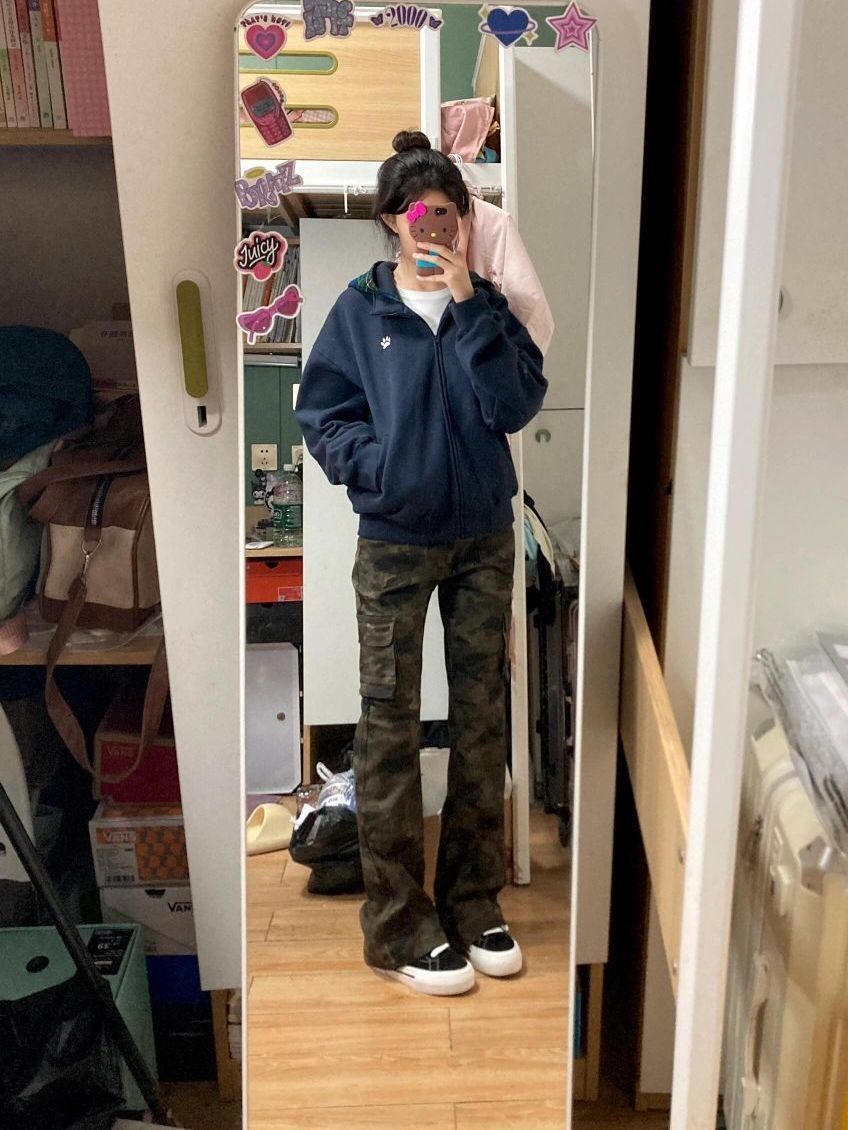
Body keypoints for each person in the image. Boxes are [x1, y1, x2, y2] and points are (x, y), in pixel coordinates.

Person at [295, 130, 548, 996]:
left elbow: (515, 404)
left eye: (450, 214)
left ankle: (472, 901)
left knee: (480, 720)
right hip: (395, 543)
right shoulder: (360, 311)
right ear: (390, 221)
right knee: (388, 726)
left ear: (465, 221)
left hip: (482, 538)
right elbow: (323, 414)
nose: (435, 228)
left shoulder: (491, 309)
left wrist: (472, 304)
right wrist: (380, 472)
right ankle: (398, 924)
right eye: (419, 214)